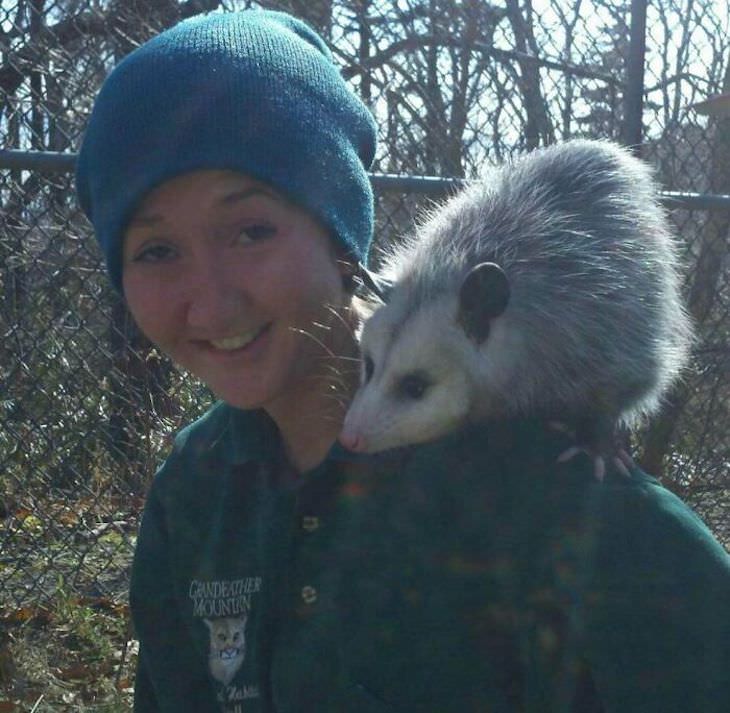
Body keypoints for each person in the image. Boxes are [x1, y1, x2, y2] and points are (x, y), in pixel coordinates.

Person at [75, 9, 730, 713]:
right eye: (156, 250)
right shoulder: (196, 490)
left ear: (341, 239)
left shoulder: (553, 489)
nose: (211, 305)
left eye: (251, 229)